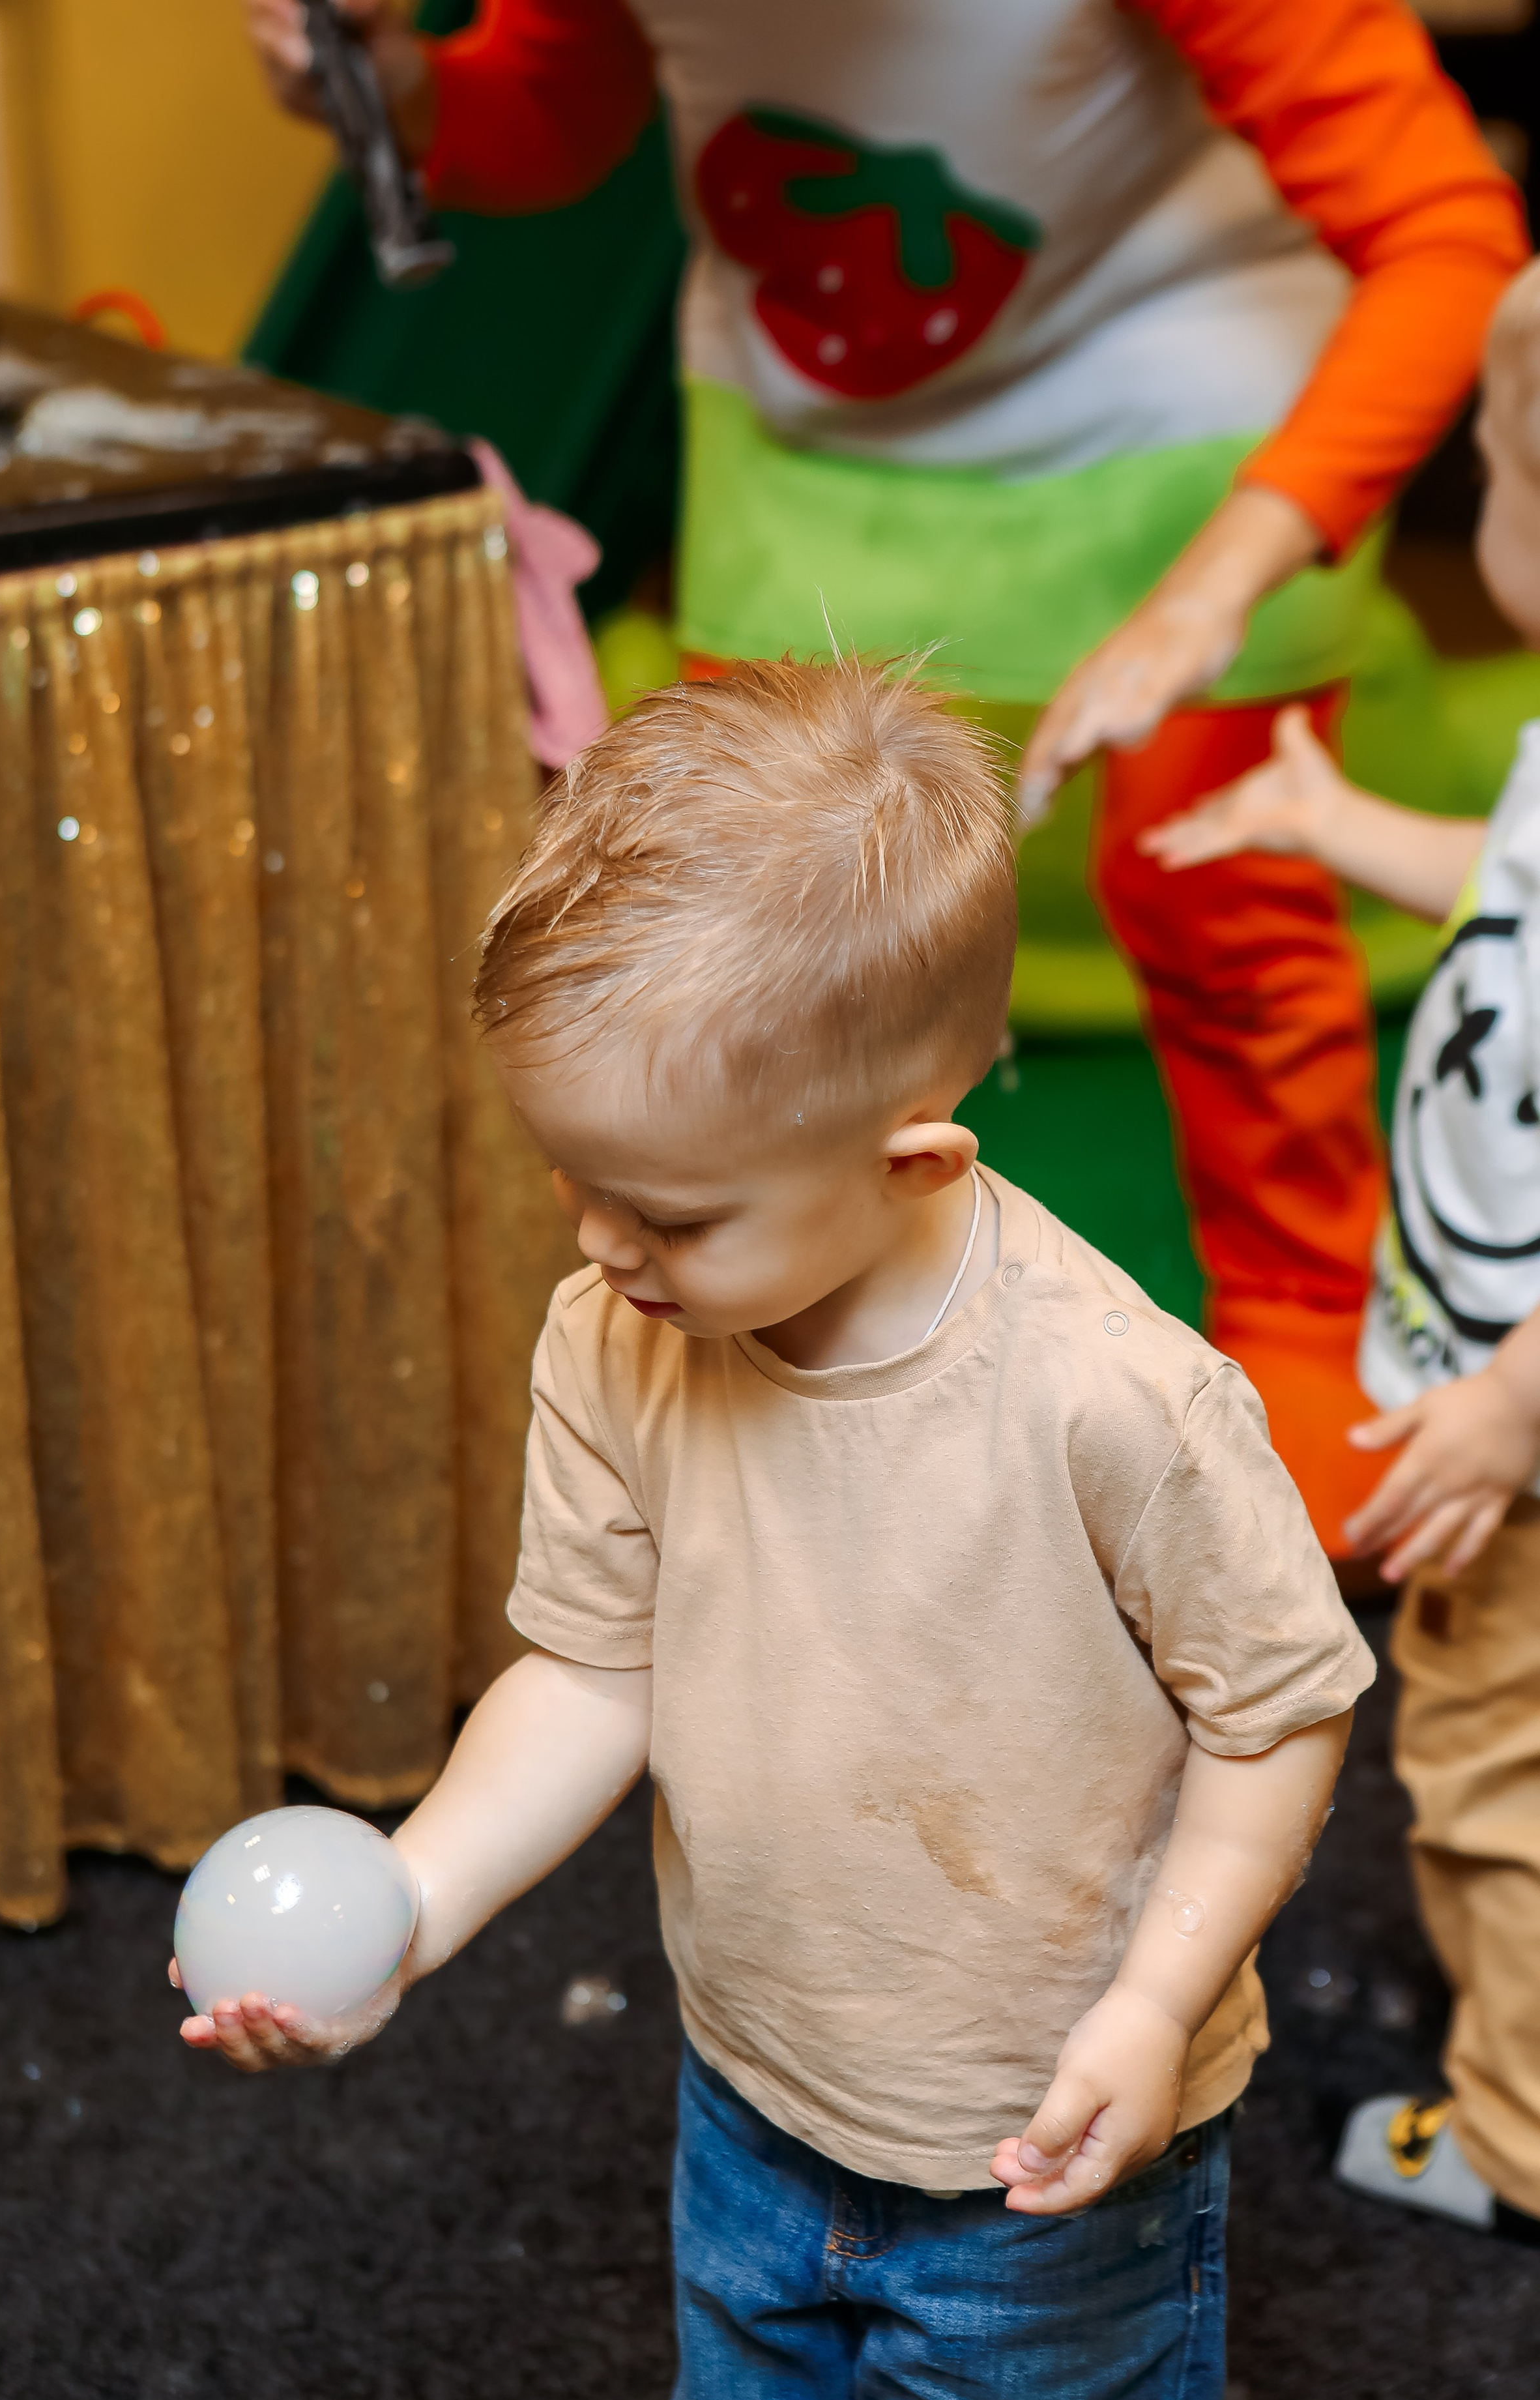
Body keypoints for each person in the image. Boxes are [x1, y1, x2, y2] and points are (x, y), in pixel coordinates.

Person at [178, 658, 1374, 2400]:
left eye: (668, 1210)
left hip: (1038, 2163)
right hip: (753, 2094)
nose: (602, 1245)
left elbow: (1278, 1714)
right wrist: (410, 1905)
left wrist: (1153, 2006)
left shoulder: (1117, 1400)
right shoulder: (617, 1338)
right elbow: (591, 1672)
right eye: (577, 1182)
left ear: (912, 1161)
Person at [240, 0, 1528, 1562]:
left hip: (1191, 428)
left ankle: (1305, 1323)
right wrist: (409, 95)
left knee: (1208, 894)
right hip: (812, 446)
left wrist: (1224, 573)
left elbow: (1444, 232)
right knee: (724, 945)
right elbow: (558, 110)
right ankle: (792, 1343)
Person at [1141, 259, 1540, 2245]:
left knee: (1488, 1775)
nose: (1474, 482)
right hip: (1494, 1382)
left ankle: (1521, 2135)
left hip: (1519, 1427)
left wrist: (1508, 1408)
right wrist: (1336, 813)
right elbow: (1519, 893)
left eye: (1499, 467)